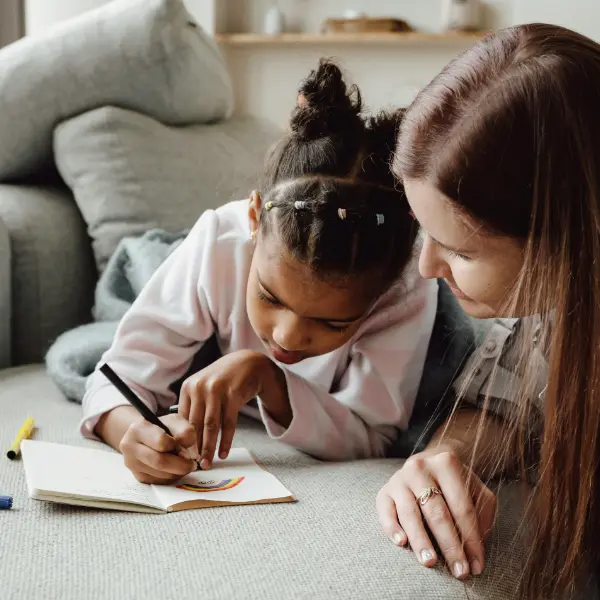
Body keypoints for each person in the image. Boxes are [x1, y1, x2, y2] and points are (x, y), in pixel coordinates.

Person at [81, 60, 442, 484]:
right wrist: (130, 431)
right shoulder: (221, 239)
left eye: (332, 322)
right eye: (270, 297)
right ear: (253, 218)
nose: (287, 337)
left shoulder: (406, 283)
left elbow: (372, 434)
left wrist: (268, 377)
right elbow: (117, 377)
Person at [376, 22, 600, 599]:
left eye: (460, 249)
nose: (427, 268)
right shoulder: (553, 307)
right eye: (424, 233)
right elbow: (509, 408)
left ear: (573, 235)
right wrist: (445, 456)